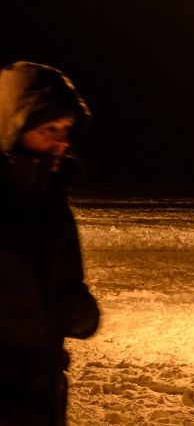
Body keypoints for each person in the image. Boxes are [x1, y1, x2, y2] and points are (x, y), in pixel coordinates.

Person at [0, 61, 100, 425]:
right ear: (12, 129)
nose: (62, 142)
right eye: (49, 129)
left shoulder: (53, 207)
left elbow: (66, 286)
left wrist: (79, 311)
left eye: (67, 130)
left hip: (43, 393)